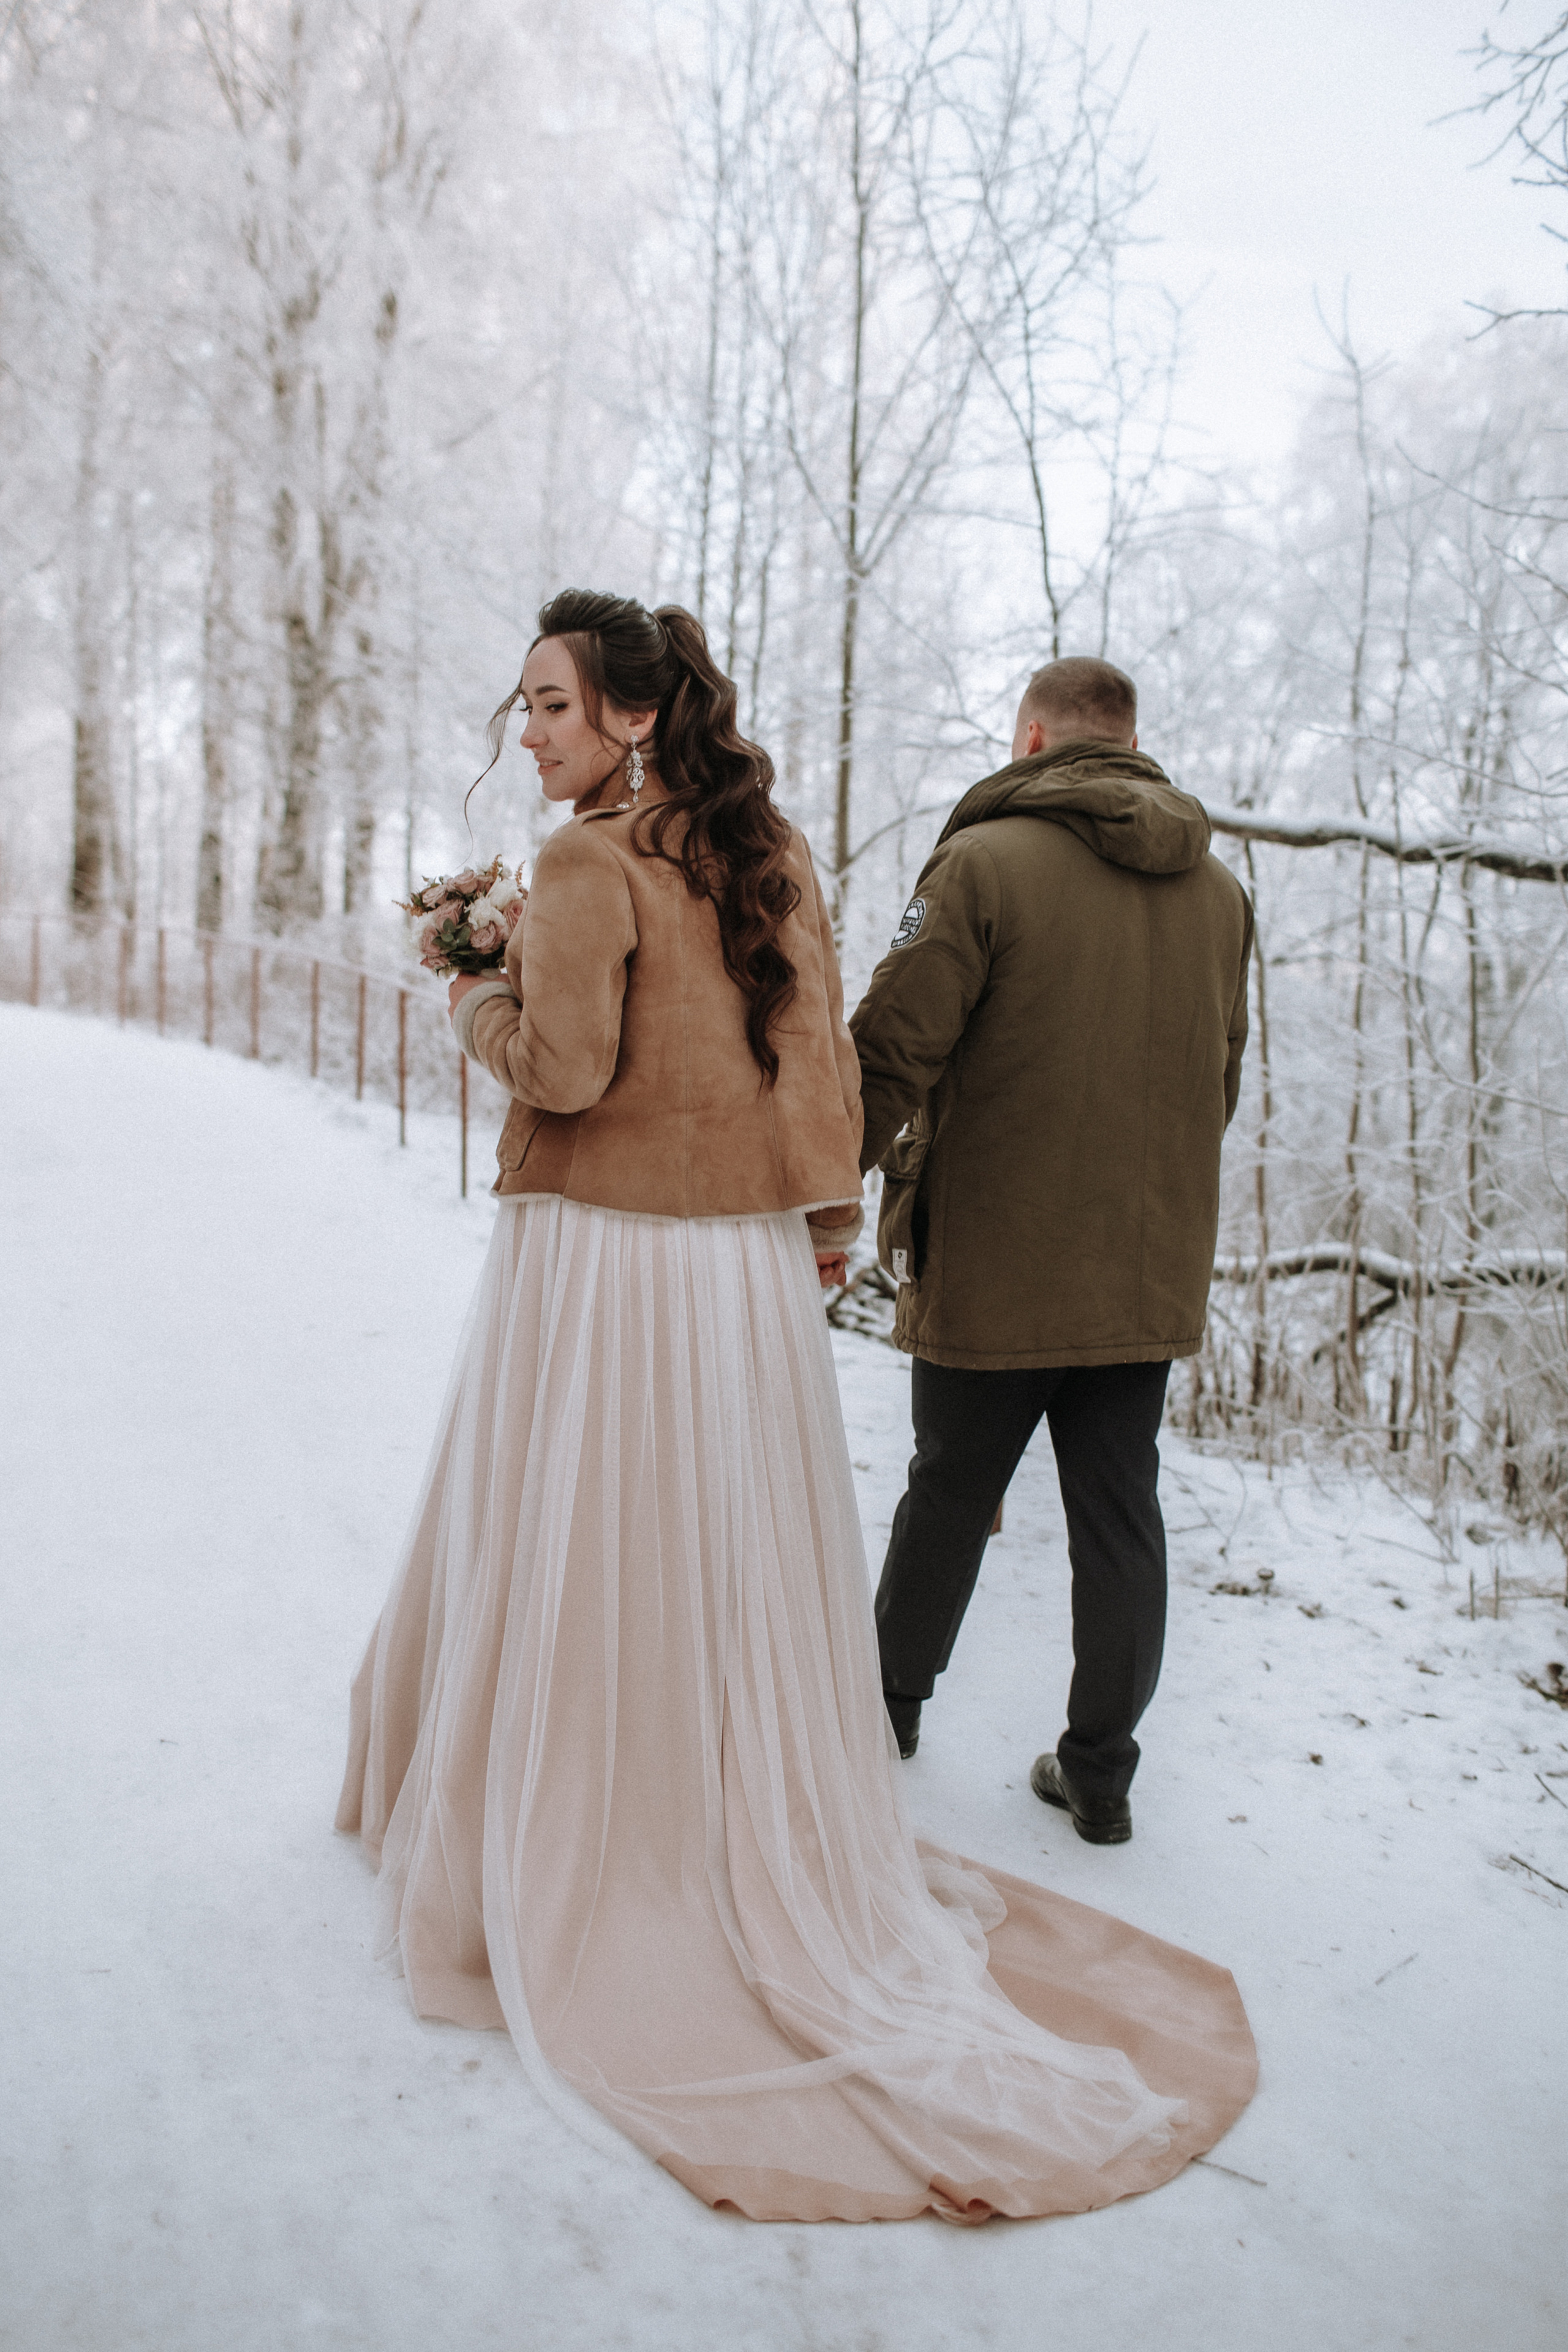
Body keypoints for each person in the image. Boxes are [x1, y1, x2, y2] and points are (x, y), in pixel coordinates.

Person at [336, 599, 1254, 2223]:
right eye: (522, 705)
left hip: (612, 1268)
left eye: (550, 703)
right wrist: (817, 1222)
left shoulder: (581, 867)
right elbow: (818, 1069)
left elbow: (562, 1073)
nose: (527, 731)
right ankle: (788, 1796)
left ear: (630, 717)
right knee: (735, 1549)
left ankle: (605, 1830)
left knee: (600, 1532)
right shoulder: (765, 850)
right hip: (747, 1281)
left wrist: (466, 980)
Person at [850, 656, 1253, 1844]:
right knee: (1120, 1514)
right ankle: (1100, 1774)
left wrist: (817, 1192)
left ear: (1030, 737)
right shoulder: (1220, 895)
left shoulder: (982, 864)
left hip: (995, 1256)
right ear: (1128, 741)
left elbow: (888, 1053)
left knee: (948, 1492)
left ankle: (883, 1714)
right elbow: (1215, 1082)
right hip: (1145, 1269)